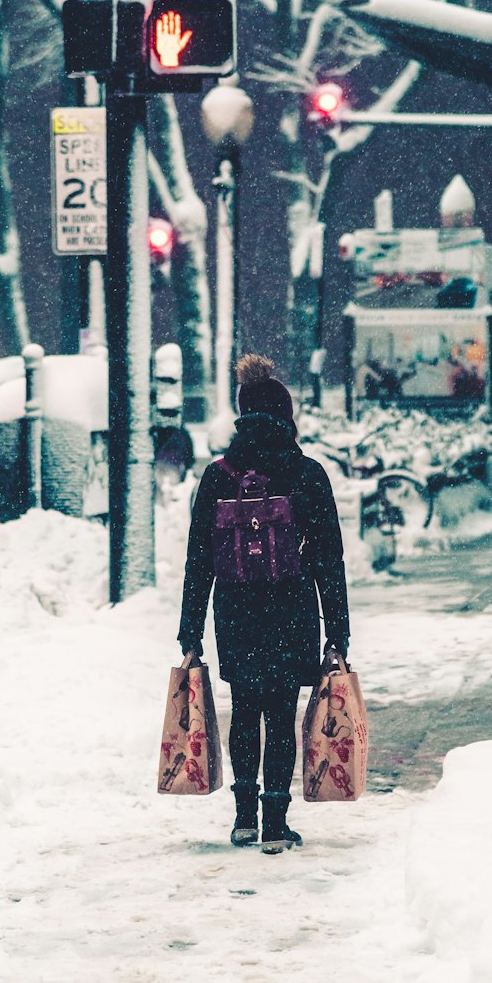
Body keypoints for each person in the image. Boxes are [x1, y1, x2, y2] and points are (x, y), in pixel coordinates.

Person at [178, 354, 350, 854]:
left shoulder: (218, 477)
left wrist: (190, 630)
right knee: (281, 712)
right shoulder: (308, 474)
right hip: (292, 608)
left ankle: (243, 818)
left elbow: (199, 559)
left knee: (244, 708)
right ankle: (275, 820)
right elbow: (329, 559)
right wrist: (338, 628)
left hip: (236, 610)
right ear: (287, 416)